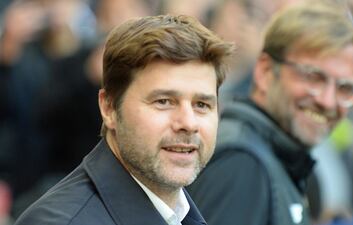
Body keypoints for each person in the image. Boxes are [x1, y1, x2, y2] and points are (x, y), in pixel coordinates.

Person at [14, 14, 234, 225]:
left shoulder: (180, 214)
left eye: (202, 105)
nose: (189, 123)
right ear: (108, 108)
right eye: (164, 101)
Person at [187, 1, 353, 225]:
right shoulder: (243, 164)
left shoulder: (274, 159)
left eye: (345, 88)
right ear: (265, 71)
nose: (327, 101)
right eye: (313, 77)